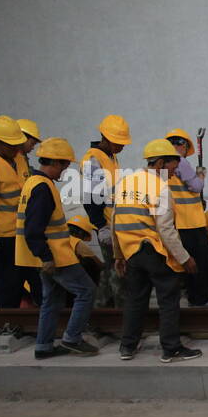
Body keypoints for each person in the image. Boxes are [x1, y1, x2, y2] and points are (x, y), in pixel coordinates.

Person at [113, 139, 201, 363]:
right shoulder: (160, 187)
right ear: (161, 162)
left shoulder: (126, 182)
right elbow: (165, 229)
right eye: (173, 165)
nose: (175, 171)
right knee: (168, 299)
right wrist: (185, 258)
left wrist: (119, 255)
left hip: (132, 252)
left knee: (135, 299)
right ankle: (171, 348)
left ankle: (127, 346)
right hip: (153, 251)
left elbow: (115, 220)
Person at [15, 138, 98, 360]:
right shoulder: (43, 187)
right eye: (64, 165)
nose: (65, 170)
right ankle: (72, 339)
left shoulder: (33, 182)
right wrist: (46, 257)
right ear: (54, 162)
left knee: (52, 299)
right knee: (86, 291)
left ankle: (43, 346)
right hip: (55, 255)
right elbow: (33, 228)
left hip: (46, 256)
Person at [0, 115, 39, 306]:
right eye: (10, 145)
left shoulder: (20, 159)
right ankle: (7, 318)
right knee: (9, 280)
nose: (15, 148)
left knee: (35, 276)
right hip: (5, 234)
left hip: (25, 230)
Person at [165, 127, 208, 307]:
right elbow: (196, 186)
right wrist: (201, 175)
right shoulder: (181, 162)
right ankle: (201, 298)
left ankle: (193, 295)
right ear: (183, 145)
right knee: (202, 263)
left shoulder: (164, 164)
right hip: (192, 223)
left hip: (178, 222)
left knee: (188, 262)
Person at [83, 114, 132, 307]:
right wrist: (101, 226)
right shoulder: (93, 160)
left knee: (111, 267)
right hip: (106, 224)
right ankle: (122, 312)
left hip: (113, 221)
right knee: (117, 270)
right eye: (119, 142)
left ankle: (101, 306)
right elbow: (90, 197)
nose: (122, 146)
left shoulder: (109, 157)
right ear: (106, 138)